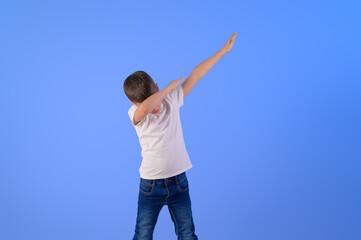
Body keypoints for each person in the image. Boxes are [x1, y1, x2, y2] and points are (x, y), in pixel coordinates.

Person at [123, 32, 237, 240]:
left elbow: (196, 74)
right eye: (149, 103)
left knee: (187, 234)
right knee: (142, 236)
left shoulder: (171, 100)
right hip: (150, 186)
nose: (156, 106)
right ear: (134, 104)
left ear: (155, 87)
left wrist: (222, 51)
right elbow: (145, 107)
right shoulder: (136, 114)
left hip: (179, 182)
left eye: (156, 97)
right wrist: (167, 88)